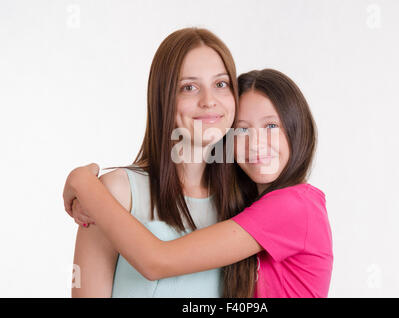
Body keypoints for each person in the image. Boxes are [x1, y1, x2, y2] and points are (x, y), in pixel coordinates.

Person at [64, 69, 334, 298]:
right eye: (241, 129)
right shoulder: (243, 205)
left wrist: (83, 183)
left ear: (298, 128)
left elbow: (156, 261)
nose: (256, 143)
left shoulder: (295, 205)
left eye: (271, 126)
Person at [67, 27, 250, 297]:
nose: (209, 101)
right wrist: (81, 182)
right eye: (189, 87)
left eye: (221, 84)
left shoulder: (247, 198)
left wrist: (78, 180)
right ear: (163, 98)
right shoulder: (115, 192)